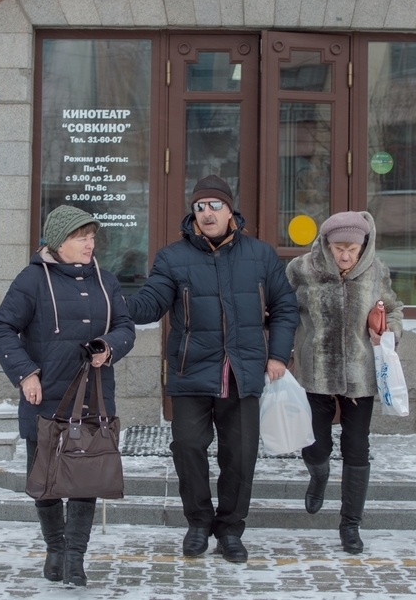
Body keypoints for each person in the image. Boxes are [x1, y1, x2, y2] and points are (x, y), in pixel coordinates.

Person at [127, 175, 299, 563]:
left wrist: (277, 355)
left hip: (243, 372)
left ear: (230, 210)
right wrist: (113, 302)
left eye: (214, 205)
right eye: (200, 206)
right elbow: (152, 304)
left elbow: (286, 307)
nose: (206, 213)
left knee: (240, 456)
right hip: (191, 371)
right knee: (188, 448)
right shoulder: (173, 257)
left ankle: (231, 529)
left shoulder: (261, 255)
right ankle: (199, 524)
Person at [0, 205, 135, 587]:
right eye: (80, 237)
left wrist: (110, 345)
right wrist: (25, 374)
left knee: (86, 480)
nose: (89, 244)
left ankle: (75, 557)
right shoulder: (31, 280)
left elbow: (125, 326)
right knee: (45, 480)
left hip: (93, 397)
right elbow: (2, 328)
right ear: (59, 242)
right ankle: (55, 548)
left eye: (91, 237)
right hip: (46, 397)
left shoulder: (107, 280)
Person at [286, 210, 404, 555]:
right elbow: (282, 310)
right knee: (315, 444)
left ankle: (350, 524)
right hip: (315, 371)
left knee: (357, 447)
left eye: (353, 248)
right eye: (339, 247)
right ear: (325, 243)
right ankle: (319, 475)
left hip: (360, 376)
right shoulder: (301, 270)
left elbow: (394, 309)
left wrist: (389, 332)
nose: (346, 255)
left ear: (364, 245)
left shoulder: (376, 270)